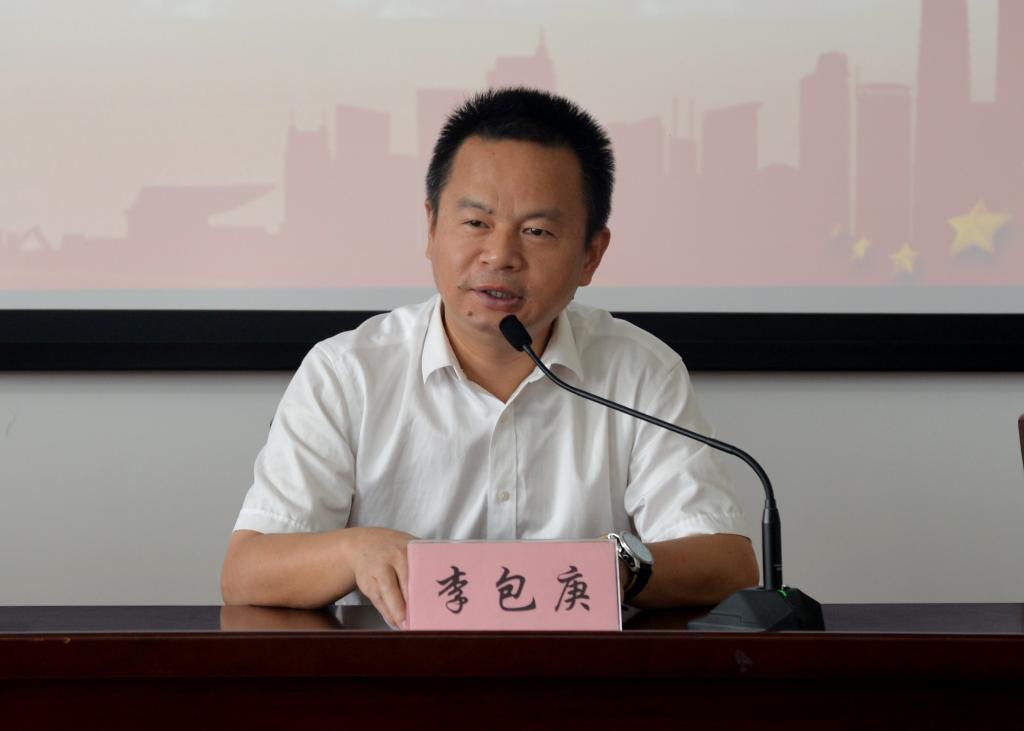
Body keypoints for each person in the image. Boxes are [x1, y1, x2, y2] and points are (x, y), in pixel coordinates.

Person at [221, 87, 758, 626]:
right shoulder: (347, 372)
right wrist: (353, 551)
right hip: (397, 676)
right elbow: (246, 572)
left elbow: (726, 564)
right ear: (432, 227)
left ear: (591, 255)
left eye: (537, 231)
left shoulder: (640, 370)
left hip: (583, 675)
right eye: (476, 223)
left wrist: (612, 566)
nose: (500, 256)